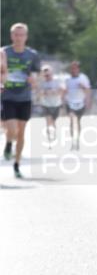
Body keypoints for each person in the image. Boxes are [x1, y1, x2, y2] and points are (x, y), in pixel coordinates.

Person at [1, 22, 41, 179]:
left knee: (21, 133)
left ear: (26, 37)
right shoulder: (3, 52)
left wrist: (34, 79)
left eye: (22, 35)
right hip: (8, 96)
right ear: (12, 36)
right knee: (12, 129)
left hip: (25, 97)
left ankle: (17, 164)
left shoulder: (32, 55)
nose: (19, 38)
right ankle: (8, 143)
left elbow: (37, 73)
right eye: (16, 35)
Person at [64, 61, 91, 150]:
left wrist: (87, 101)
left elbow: (88, 90)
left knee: (78, 122)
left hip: (80, 103)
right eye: (72, 68)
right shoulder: (67, 79)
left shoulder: (83, 78)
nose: (73, 70)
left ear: (78, 69)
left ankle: (77, 140)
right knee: (72, 120)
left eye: (75, 68)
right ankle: (73, 141)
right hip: (70, 103)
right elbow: (64, 91)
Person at [37, 65, 65, 147]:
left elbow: (63, 90)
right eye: (45, 73)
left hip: (56, 104)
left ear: (51, 73)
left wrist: (54, 92)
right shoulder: (41, 83)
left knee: (53, 121)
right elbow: (39, 93)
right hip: (46, 104)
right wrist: (45, 92)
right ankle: (49, 139)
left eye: (48, 73)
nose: (46, 75)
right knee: (48, 121)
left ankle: (53, 133)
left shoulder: (57, 81)